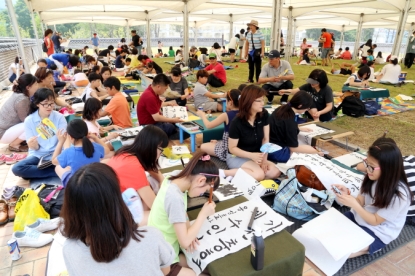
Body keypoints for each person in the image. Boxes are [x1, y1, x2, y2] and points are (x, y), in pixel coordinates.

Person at [61, 163, 175, 275]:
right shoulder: (151, 236)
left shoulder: (69, 249)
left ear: (71, 209)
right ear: (116, 198)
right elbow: (166, 271)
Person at [333, 143, 412, 258]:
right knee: (326, 233)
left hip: (379, 231)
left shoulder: (398, 195)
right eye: (367, 164)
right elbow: (361, 201)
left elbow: (375, 221)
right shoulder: (371, 178)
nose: (367, 169)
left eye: (371, 166)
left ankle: (371, 247)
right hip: (359, 217)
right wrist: (347, 196)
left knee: (342, 252)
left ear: (387, 168)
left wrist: (354, 205)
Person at [148, 151, 219, 275]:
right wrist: (203, 214)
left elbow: (183, 213)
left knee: (208, 267)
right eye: (204, 191)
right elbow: (185, 242)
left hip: (165, 248)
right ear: (201, 180)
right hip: (162, 260)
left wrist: (188, 230)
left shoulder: (176, 178)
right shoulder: (174, 197)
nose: (201, 194)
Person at [108, 125, 168, 226]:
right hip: (112, 216)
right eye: (161, 150)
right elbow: (154, 205)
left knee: (152, 184)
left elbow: (151, 168)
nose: (160, 154)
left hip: (113, 202)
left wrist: (162, 179)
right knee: (162, 216)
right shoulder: (133, 167)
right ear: (152, 147)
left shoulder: (126, 152)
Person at [227, 85, 281, 181]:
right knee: (259, 175)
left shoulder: (263, 114)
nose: (262, 103)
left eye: (263, 100)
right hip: (237, 156)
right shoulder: (237, 122)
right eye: (259, 100)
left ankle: (242, 175)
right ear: (249, 101)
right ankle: (226, 173)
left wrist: (264, 159)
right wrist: (251, 156)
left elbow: (265, 139)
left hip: (256, 156)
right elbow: (232, 149)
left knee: (275, 172)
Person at [12, 88, 67, 179]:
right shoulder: (29, 120)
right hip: (38, 155)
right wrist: (32, 144)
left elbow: (65, 142)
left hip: (57, 153)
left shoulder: (59, 117)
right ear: (37, 104)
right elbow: (35, 148)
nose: (49, 107)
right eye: (45, 104)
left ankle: (38, 172)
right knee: (17, 168)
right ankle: (56, 171)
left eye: (52, 103)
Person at [268, 91, 322, 162]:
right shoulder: (290, 122)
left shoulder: (281, 109)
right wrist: (316, 152)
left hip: (266, 146)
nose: (307, 109)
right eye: (307, 108)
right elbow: (293, 148)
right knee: (307, 150)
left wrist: (298, 128)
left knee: (305, 146)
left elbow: (281, 125)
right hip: (276, 153)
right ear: (300, 106)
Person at [51, 120, 106, 187]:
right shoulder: (97, 147)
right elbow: (107, 149)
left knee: (58, 167)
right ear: (87, 133)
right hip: (95, 183)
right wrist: (95, 138)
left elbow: (53, 161)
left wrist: (60, 142)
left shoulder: (68, 152)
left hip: (77, 187)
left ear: (70, 137)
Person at [137, 74, 186, 140]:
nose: (165, 91)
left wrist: (168, 104)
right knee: (171, 127)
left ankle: (169, 134)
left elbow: (158, 104)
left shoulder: (152, 91)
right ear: (158, 86)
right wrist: (172, 120)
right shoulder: (149, 96)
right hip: (148, 126)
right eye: (165, 89)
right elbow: (156, 118)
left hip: (154, 123)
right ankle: (164, 138)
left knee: (175, 125)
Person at [197, 89, 240, 162]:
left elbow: (209, 125)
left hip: (228, 150)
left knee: (202, 146)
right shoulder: (247, 113)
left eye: (226, 100)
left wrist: (202, 115)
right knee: (214, 142)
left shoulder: (226, 115)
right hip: (241, 147)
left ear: (230, 102)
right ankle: (219, 143)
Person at [0, 74, 38, 152]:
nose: (37, 86)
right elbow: (25, 119)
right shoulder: (22, 99)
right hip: (3, 134)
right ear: (28, 87)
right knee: (31, 123)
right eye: (36, 84)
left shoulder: (19, 94)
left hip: (6, 130)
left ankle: (21, 140)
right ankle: (14, 144)